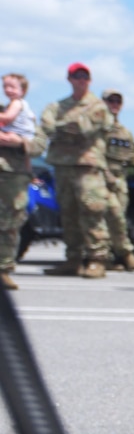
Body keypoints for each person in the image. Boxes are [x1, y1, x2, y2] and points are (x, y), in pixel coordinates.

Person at [38, 64, 114, 279]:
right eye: (77, 76)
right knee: (68, 213)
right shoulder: (57, 105)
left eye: (85, 76)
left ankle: (97, 260)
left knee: (92, 211)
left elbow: (85, 128)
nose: (81, 80)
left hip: (87, 167)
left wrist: (63, 127)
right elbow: (47, 127)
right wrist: (68, 126)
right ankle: (73, 259)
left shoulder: (98, 106)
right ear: (69, 79)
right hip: (63, 167)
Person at [0, 73, 42, 290]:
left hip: (13, 177)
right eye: (4, 86)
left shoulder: (20, 110)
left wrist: (19, 143)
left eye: (12, 86)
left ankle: (3, 269)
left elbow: (39, 145)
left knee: (9, 223)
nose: (8, 90)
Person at [99, 91, 134, 272]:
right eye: (110, 100)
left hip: (119, 180)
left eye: (118, 100)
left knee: (119, 219)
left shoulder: (124, 132)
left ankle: (114, 258)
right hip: (100, 177)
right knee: (106, 218)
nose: (114, 103)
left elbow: (132, 156)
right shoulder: (98, 127)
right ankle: (107, 257)